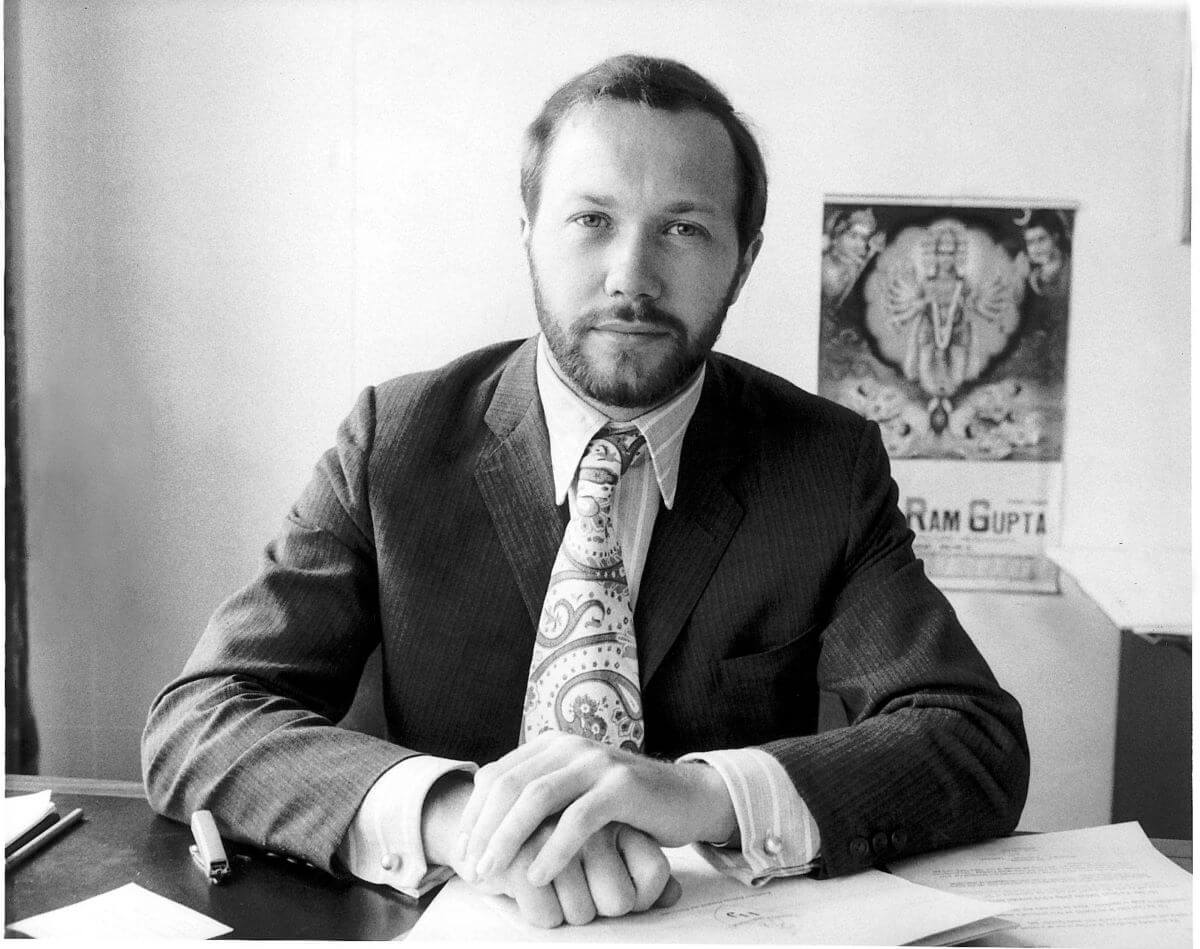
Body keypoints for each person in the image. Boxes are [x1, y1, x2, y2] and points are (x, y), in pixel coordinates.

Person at [142, 54, 1029, 931]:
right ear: (528, 227)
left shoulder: (824, 466)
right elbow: (201, 717)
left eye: (683, 228)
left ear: (744, 260)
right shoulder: (395, 442)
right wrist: (464, 817)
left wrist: (704, 793)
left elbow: (971, 740)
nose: (630, 276)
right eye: (592, 219)